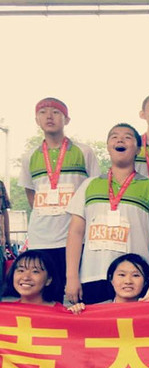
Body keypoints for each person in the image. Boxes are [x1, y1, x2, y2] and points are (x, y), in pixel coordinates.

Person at [65, 123, 149, 305]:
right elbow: (75, 232)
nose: (120, 140)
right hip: (92, 275)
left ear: (138, 149)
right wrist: (72, 276)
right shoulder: (89, 185)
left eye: (127, 137)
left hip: (133, 280)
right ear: (108, 146)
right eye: (114, 136)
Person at [20, 97, 100, 285]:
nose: (49, 116)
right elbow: (30, 193)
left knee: (75, 291)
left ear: (67, 120)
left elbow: (94, 190)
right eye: (43, 112)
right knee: (44, 291)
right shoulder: (29, 156)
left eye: (56, 112)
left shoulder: (84, 152)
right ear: (36, 120)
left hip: (74, 238)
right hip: (40, 238)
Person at [68, 253, 149, 312]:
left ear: (145, 281)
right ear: (111, 279)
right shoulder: (96, 311)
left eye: (135, 275)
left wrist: (147, 311)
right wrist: (77, 313)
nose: (128, 281)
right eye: (122, 275)